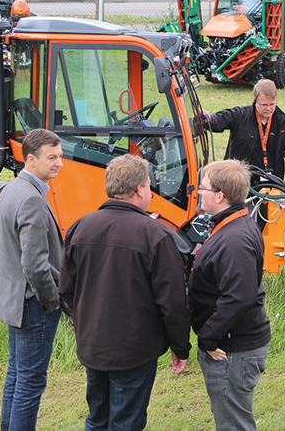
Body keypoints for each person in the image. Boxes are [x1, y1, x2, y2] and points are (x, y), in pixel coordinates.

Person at [59, 154, 192, 430]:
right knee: (126, 422)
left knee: (97, 418)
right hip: (135, 350)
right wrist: (180, 346)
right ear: (140, 190)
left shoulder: (79, 228)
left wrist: (86, 323)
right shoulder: (155, 235)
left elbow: (66, 290)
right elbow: (172, 302)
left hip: (93, 345)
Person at [189, 160, 271, 431]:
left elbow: (239, 297)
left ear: (220, 196)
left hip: (231, 350)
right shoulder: (230, 225)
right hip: (231, 344)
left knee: (233, 425)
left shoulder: (235, 239)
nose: (199, 193)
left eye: (203, 188)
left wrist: (209, 337)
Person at [0, 128, 64, 431]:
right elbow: (36, 265)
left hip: (13, 301)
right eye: (53, 157)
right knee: (30, 381)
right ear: (32, 160)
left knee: (17, 374)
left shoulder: (11, 189)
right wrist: (52, 302)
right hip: (33, 305)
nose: (60, 163)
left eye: (60, 156)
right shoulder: (33, 200)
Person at [206, 79, 285, 180]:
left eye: (272, 104)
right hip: (239, 181)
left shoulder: (283, 121)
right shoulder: (240, 115)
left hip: (272, 182)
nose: (268, 109)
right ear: (254, 100)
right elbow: (221, 119)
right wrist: (208, 119)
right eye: (264, 105)